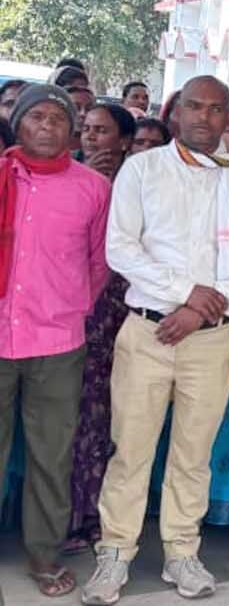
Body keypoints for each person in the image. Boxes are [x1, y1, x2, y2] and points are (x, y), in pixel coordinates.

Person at [83, 76, 229, 605]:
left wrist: (199, 308)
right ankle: (115, 552)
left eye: (217, 109)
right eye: (195, 107)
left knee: (193, 453)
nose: (205, 118)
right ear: (177, 112)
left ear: (228, 116)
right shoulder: (142, 169)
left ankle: (182, 552)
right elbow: (121, 249)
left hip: (210, 338)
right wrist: (187, 295)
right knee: (130, 450)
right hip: (148, 331)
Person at [0, 85, 111, 598]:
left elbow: (98, 262)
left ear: (72, 131)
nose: (46, 126)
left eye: (57, 119)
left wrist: (69, 306)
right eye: (36, 117)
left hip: (57, 340)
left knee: (51, 455)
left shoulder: (92, 188)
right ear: (17, 123)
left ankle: (44, 556)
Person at [64, 104, 136, 552]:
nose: (92, 138)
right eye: (87, 129)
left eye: (102, 131)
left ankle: (101, 517)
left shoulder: (138, 181)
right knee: (76, 416)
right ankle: (70, 516)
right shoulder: (70, 177)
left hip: (124, 310)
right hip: (78, 309)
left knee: (113, 417)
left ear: (124, 141)